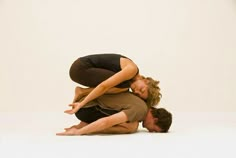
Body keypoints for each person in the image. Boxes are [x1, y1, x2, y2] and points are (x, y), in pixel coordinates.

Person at [66, 53, 161, 115]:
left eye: (137, 94)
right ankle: (82, 92)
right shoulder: (132, 70)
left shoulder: (128, 81)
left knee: (124, 88)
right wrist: (82, 104)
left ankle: (82, 91)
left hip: (81, 71)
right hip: (80, 69)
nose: (136, 91)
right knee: (123, 86)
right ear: (146, 81)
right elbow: (104, 86)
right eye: (141, 89)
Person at [56, 91, 172, 135]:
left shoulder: (141, 104)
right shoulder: (140, 111)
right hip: (86, 109)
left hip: (86, 105)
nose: (151, 131)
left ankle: (85, 125)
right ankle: (85, 127)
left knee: (131, 125)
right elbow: (107, 121)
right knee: (132, 127)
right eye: (154, 130)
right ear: (155, 120)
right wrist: (79, 132)